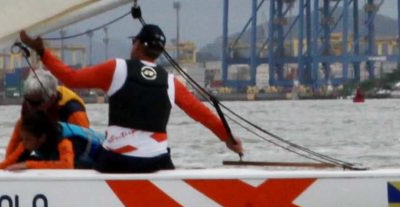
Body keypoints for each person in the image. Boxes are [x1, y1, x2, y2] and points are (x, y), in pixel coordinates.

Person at [19, 21, 240, 173]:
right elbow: (202, 115)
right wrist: (228, 139)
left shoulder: (117, 68)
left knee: (87, 154)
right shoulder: (171, 82)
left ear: (137, 45)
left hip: (117, 161)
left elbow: (72, 78)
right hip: (157, 162)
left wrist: (43, 53)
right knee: (162, 157)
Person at [0, 67, 98, 171]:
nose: (31, 108)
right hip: (50, 154)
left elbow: (75, 157)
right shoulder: (29, 106)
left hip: (80, 159)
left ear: (51, 98)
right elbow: (13, 157)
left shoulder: (73, 113)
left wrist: (29, 165)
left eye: (37, 103)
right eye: (28, 101)